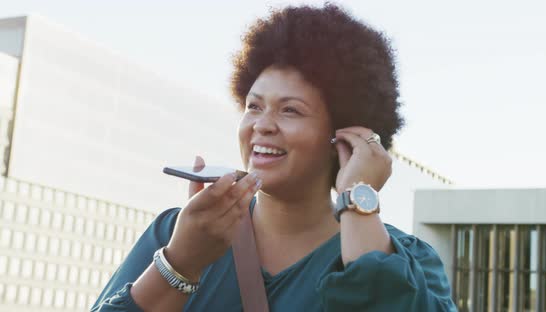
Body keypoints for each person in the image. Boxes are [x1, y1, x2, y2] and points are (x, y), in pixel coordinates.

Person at [92, 3, 456, 311]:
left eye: (290, 111)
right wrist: (180, 265)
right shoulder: (176, 233)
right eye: (253, 106)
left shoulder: (407, 261)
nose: (261, 125)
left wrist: (359, 198)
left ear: (345, 136)